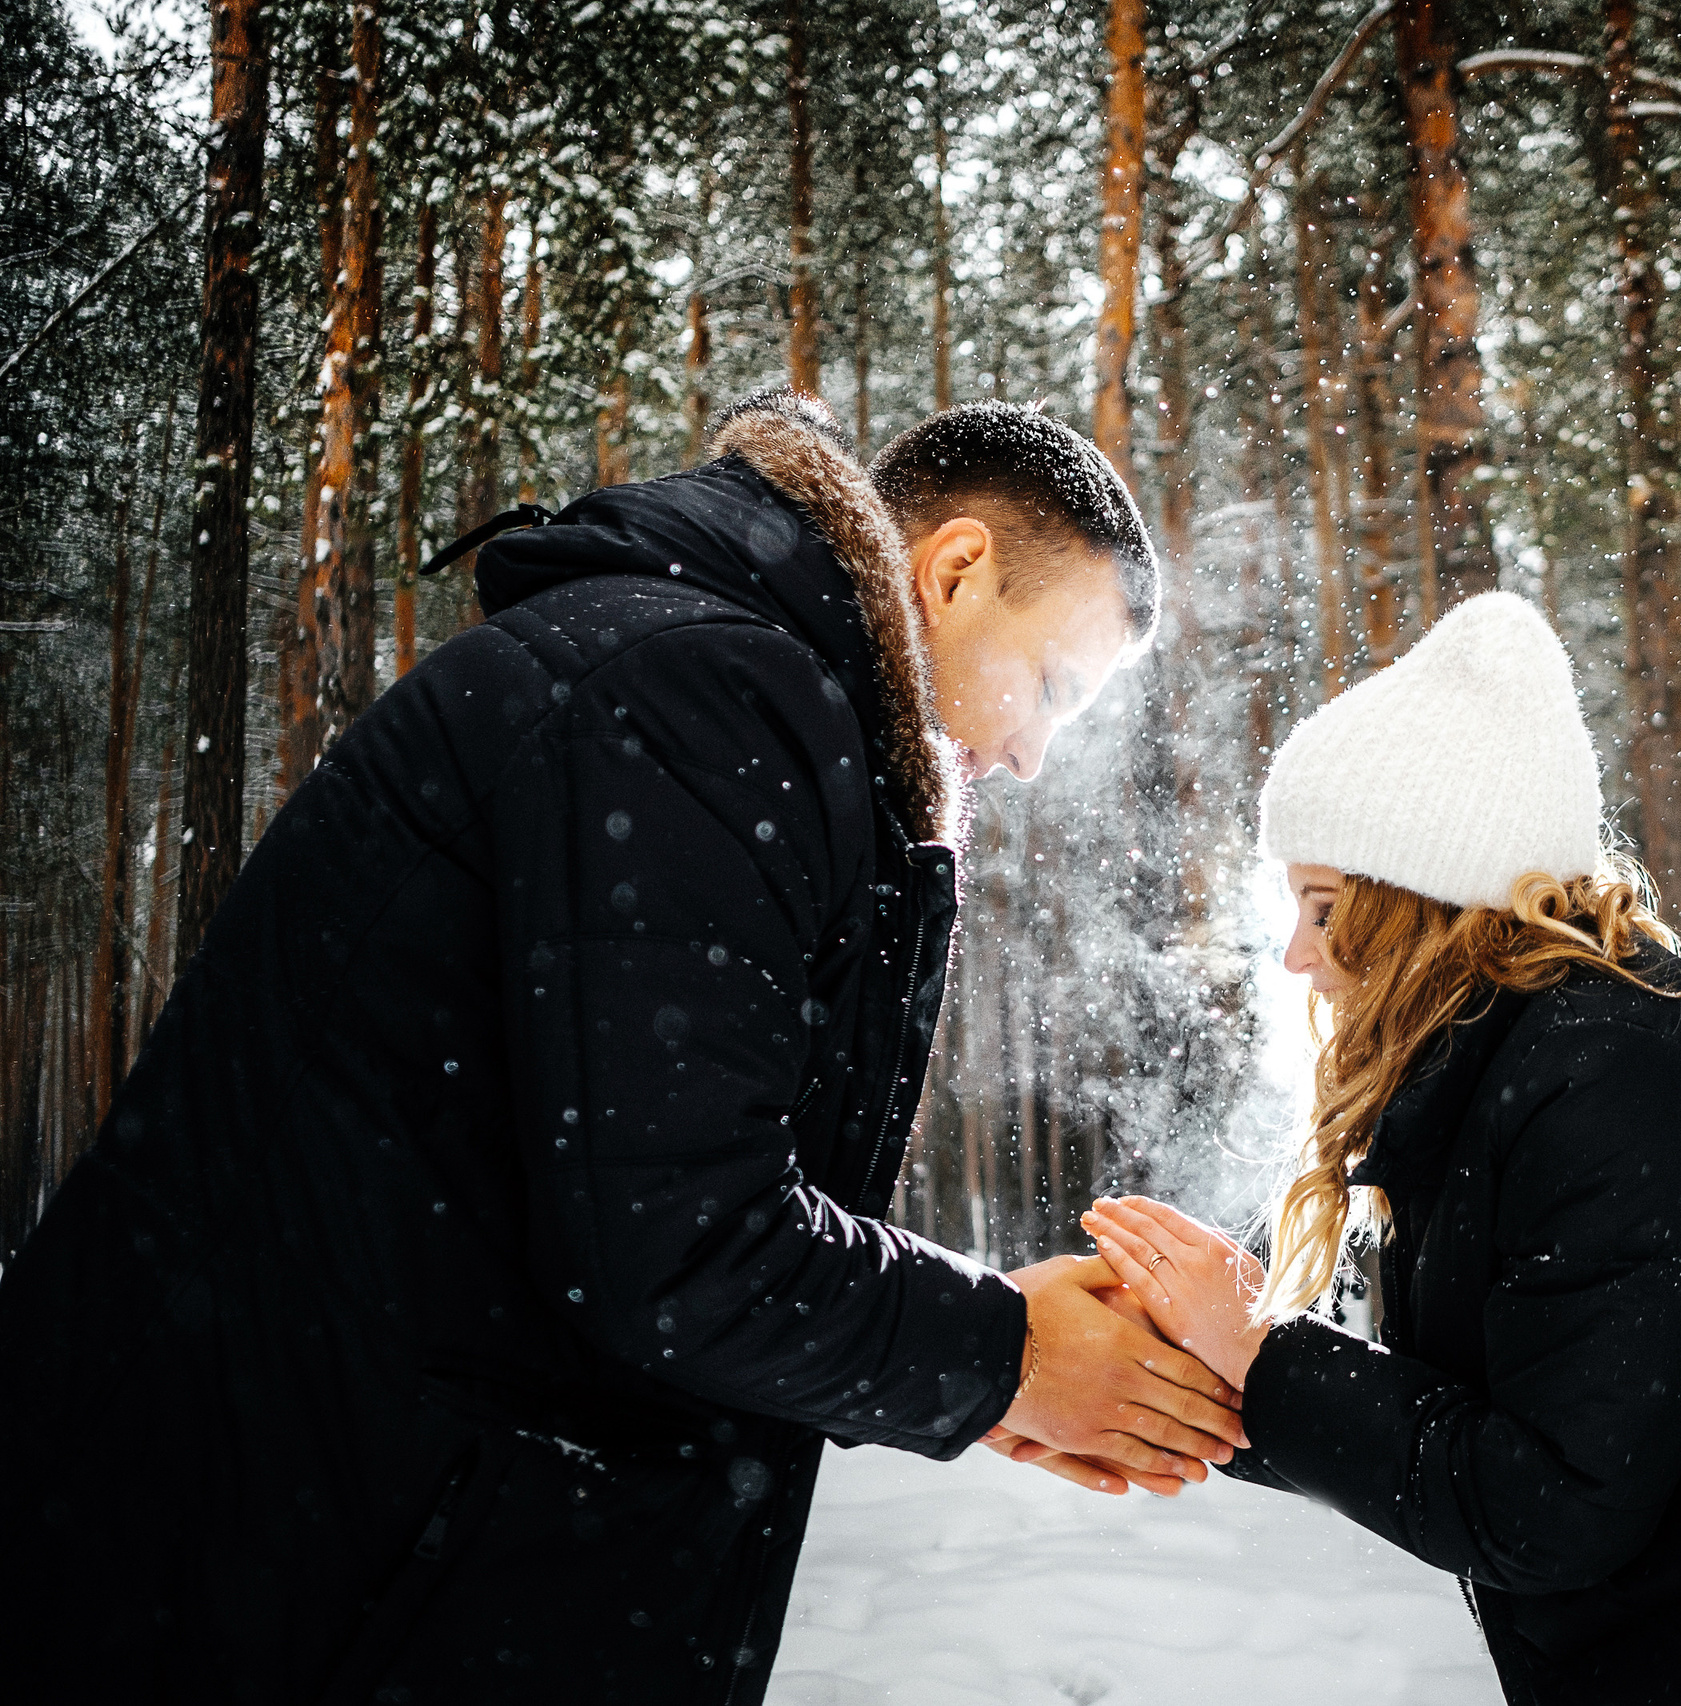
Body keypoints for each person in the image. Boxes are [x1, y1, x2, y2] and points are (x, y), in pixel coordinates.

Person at [0, 391, 1244, 1703]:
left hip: (348, 1528)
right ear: (953, 569)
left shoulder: (714, 688)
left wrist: (993, 1365)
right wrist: (1007, 1357)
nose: (1039, 751)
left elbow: (663, 1205)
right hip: (283, 1555)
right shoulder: (705, 694)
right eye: (1051, 684)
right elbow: (678, 1242)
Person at [1079, 592, 1681, 1704]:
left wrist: (1258, 1346)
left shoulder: (1617, 1070)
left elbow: (1545, 1505)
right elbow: (1486, 1427)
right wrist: (1189, 1377)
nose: (1298, 954)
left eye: (1327, 907)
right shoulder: (1514, 1067)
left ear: (1425, 899)